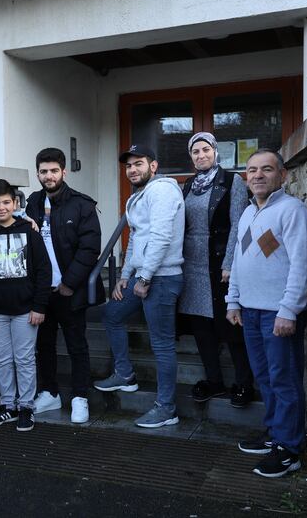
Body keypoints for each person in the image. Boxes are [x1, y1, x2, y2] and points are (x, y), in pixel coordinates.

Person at [227, 149, 307, 478]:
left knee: (284, 380)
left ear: (283, 175)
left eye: (267, 169)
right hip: (250, 312)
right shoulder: (249, 214)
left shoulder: (293, 211)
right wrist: (233, 301)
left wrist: (289, 310)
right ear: (246, 177)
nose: (258, 175)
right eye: (252, 170)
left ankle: (289, 449)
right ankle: (276, 435)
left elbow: (301, 265)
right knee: (265, 378)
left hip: (278, 314)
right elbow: (240, 262)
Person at [93, 144, 184, 429]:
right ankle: (124, 374)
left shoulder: (162, 191)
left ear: (153, 166)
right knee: (112, 314)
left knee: (162, 344)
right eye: (129, 166)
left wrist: (143, 279)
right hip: (144, 274)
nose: (133, 170)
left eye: (139, 164)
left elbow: (160, 237)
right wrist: (126, 274)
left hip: (163, 277)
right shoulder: (136, 198)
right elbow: (136, 238)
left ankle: (167, 408)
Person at [25, 148, 105, 424]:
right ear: (37, 173)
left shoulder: (82, 205)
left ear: (64, 172)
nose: (48, 176)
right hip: (41, 292)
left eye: (53, 171)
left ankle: (80, 397)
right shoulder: (31, 204)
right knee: (44, 345)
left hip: (69, 291)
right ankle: (49, 392)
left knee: (76, 345)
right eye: (43, 171)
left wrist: (70, 283)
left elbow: (90, 247)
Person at [177, 132, 255, 407]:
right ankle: (214, 381)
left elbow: (239, 223)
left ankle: (244, 384)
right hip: (192, 266)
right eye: (195, 152)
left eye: (205, 150)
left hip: (220, 264)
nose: (201, 156)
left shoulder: (231, 181)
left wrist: (229, 263)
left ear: (215, 152)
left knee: (231, 327)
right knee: (202, 328)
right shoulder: (187, 186)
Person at [0, 179, 52, 433]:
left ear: (15, 203)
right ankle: (7, 405)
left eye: (6, 202)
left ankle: (26, 407)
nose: (1, 207)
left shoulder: (29, 231)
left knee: (25, 359)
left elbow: (43, 271)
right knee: (2, 359)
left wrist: (39, 306)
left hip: (26, 311)